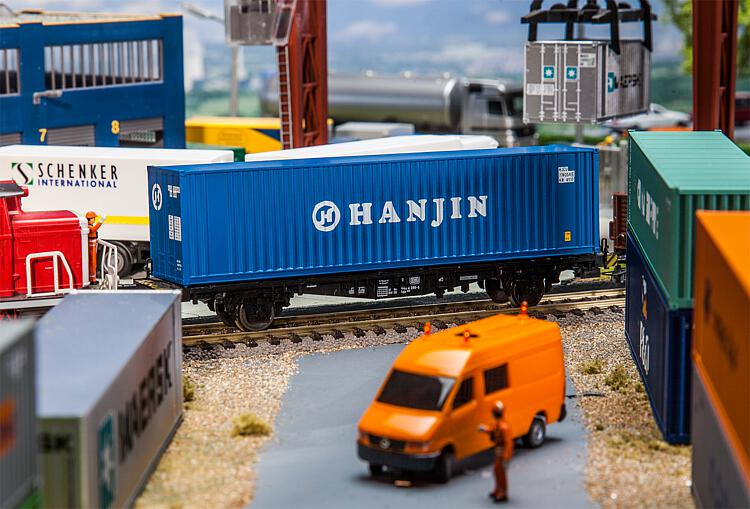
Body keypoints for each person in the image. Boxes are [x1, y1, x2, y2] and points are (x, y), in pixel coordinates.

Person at [479, 401, 513, 502]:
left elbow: (508, 443)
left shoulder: (504, 427)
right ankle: (498, 489)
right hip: (499, 452)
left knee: (501, 473)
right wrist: (485, 430)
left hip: (503, 453)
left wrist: (506, 457)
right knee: (496, 471)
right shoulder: (497, 424)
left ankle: (503, 493)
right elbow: (493, 432)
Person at [86, 211, 105, 283]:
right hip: (91, 246)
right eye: (93, 218)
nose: (94, 220)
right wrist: (100, 222)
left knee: (94, 263)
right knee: (92, 262)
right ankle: (92, 279)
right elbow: (94, 229)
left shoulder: (89, 226)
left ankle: (93, 278)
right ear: (89, 219)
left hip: (93, 245)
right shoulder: (89, 227)